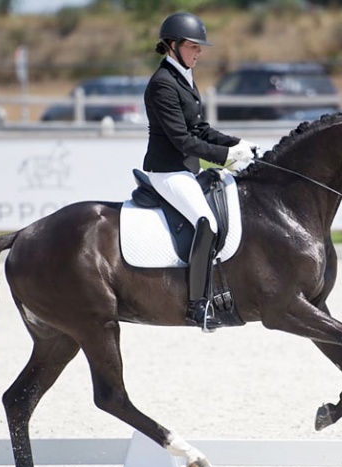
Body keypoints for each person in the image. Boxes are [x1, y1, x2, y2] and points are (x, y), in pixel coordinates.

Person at [143, 12, 256, 331]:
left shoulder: (184, 77)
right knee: (205, 222)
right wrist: (226, 157)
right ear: (173, 46)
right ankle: (197, 306)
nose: (199, 52)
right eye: (193, 46)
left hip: (185, 169)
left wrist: (238, 144)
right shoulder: (162, 84)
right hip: (167, 171)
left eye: (199, 47)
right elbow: (183, 140)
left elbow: (201, 129)